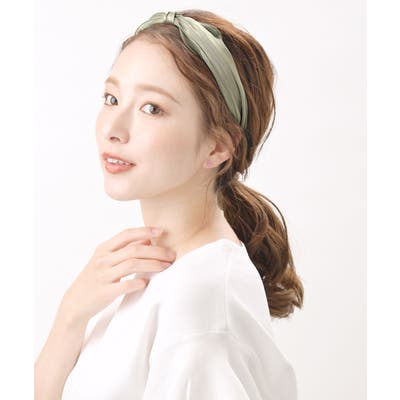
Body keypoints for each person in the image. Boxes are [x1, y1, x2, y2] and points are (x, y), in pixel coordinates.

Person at [35, 9, 304, 400]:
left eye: (152, 108)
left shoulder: (200, 305)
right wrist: (69, 318)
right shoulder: (144, 271)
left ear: (218, 146)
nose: (112, 129)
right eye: (112, 98)